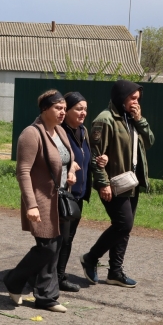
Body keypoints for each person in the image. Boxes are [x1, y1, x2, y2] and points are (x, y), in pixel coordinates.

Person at [3, 90, 79, 313]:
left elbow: (67, 159)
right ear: (45, 109)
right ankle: (16, 281)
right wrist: (31, 204)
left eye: (65, 108)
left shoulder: (60, 132)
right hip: (41, 200)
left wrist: (71, 169)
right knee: (47, 248)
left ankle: (44, 295)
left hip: (60, 198)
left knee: (55, 248)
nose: (63, 112)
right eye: (58, 108)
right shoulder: (31, 134)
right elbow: (23, 171)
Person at [80, 80, 154, 288]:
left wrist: (140, 119)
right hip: (113, 182)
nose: (136, 103)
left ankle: (115, 272)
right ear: (121, 97)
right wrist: (103, 184)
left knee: (124, 228)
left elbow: (149, 142)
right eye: (132, 98)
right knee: (123, 224)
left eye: (138, 100)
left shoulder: (132, 118)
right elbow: (95, 156)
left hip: (131, 181)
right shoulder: (105, 120)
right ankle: (91, 258)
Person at [55, 92, 107, 292]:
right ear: (66, 110)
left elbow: (88, 157)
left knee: (68, 238)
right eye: (78, 108)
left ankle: (56, 275)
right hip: (64, 193)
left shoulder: (83, 131)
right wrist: (68, 167)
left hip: (79, 194)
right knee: (60, 239)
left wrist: (100, 161)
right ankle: (53, 277)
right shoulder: (59, 132)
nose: (83, 112)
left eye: (85, 109)